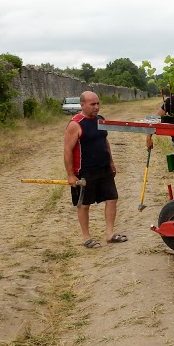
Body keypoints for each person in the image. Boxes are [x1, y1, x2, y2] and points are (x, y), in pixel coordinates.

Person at [63, 90, 127, 248]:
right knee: (84, 204)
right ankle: (86, 237)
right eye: (92, 104)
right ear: (82, 105)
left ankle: (110, 234)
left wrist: (111, 162)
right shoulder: (75, 124)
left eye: (98, 103)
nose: (96, 107)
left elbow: (105, 142)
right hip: (85, 171)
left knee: (112, 199)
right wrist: (71, 175)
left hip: (103, 168)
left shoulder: (100, 120)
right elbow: (67, 150)